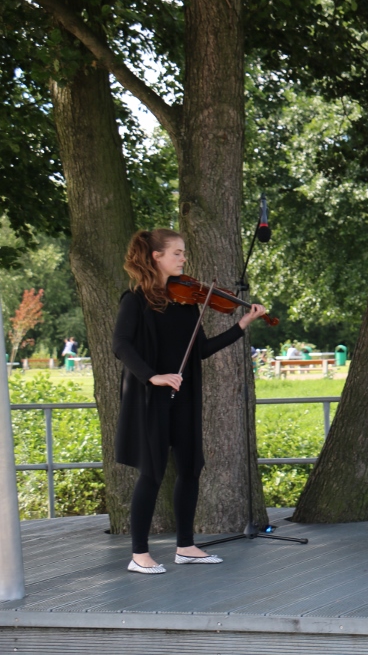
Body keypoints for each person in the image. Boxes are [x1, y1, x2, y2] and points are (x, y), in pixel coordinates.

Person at [113, 229, 267, 574]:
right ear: (156, 256)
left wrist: (242, 324)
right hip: (151, 398)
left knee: (190, 468)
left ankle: (186, 546)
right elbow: (121, 345)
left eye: (183, 253)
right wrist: (152, 375)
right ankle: (139, 555)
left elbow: (201, 350)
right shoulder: (135, 300)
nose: (184, 259)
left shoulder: (186, 303)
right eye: (178, 253)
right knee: (151, 473)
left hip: (184, 395)